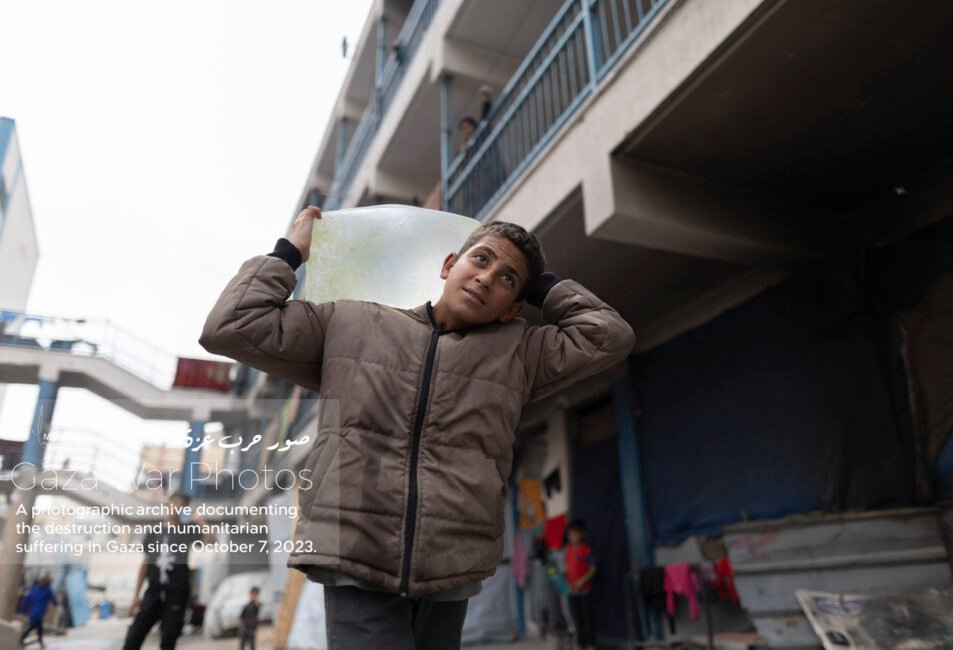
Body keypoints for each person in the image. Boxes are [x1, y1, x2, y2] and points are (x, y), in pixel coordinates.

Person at [199, 208, 635, 649]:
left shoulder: (521, 354)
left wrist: (541, 283)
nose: (486, 278)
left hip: (451, 569)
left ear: (514, 308)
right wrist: (292, 251)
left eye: (507, 279)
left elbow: (608, 335)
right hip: (355, 555)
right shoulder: (348, 324)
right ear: (449, 265)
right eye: (481, 259)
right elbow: (231, 325)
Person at [122, 492, 215, 650]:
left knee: (169, 638)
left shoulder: (188, 530)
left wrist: (200, 521)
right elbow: (145, 564)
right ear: (167, 504)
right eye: (175, 502)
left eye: (182, 505)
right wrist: (136, 595)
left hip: (176, 592)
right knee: (134, 637)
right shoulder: (154, 531)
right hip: (153, 591)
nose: (177, 507)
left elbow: (211, 541)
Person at [564, 519, 597, 650]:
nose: (572, 536)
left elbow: (593, 569)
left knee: (587, 620)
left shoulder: (586, 550)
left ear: (582, 534)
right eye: (570, 533)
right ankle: (579, 644)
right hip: (572, 592)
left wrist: (582, 581)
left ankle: (591, 645)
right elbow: (567, 568)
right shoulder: (568, 550)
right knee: (576, 620)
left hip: (585, 592)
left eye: (575, 533)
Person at [19, 575, 57, 648]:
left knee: (37, 627)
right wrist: (56, 604)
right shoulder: (47, 590)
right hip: (38, 612)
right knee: (35, 627)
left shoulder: (35, 589)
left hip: (34, 611)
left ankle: (39, 642)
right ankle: (23, 638)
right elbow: (53, 599)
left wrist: (22, 609)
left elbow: (27, 599)